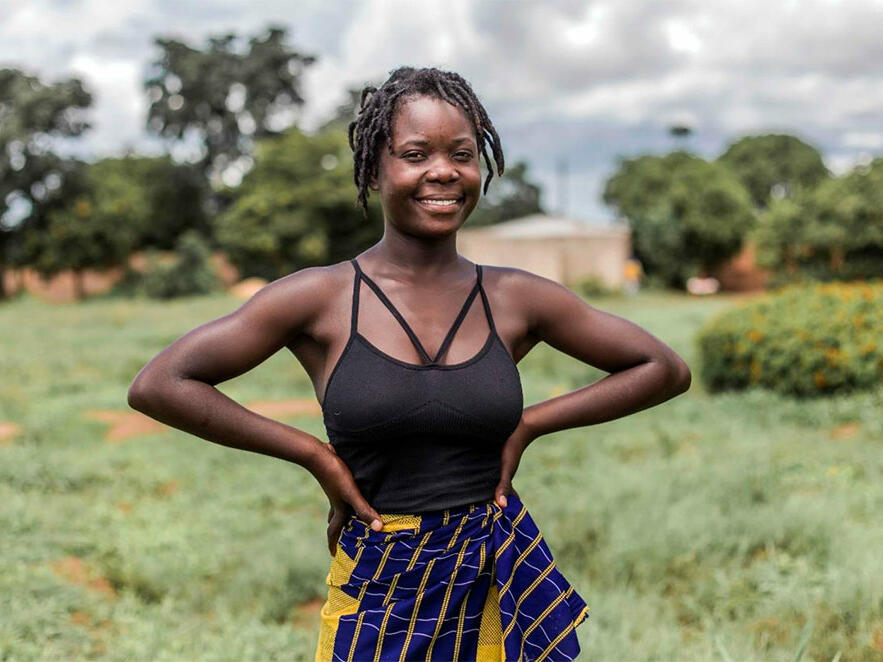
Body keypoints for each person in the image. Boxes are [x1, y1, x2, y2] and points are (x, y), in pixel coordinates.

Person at [127, 66, 691, 661]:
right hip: (379, 585)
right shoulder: (320, 298)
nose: (443, 171)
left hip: (495, 574)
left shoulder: (517, 298)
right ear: (375, 169)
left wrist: (530, 424)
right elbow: (161, 384)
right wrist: (314, 455)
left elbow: (662, 367)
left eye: (462, 154)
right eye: (415, 153)